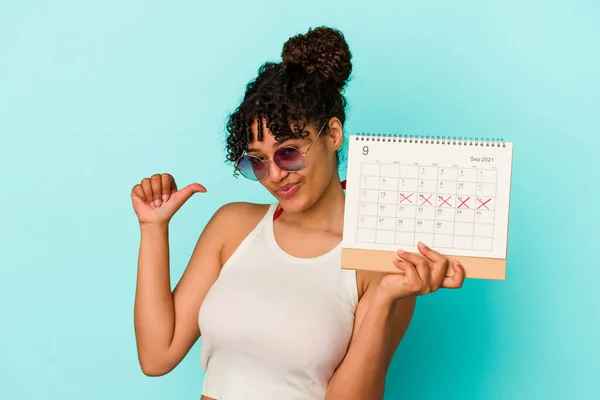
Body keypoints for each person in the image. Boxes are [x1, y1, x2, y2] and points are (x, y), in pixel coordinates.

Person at [131, 26, 465, 400]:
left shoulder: (380, 258)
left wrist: (388, 297)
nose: (274, 175)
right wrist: (152, 229)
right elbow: (157, 356)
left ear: (333, 134)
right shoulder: (232, 227)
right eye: (256, 162)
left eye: (289, 152)